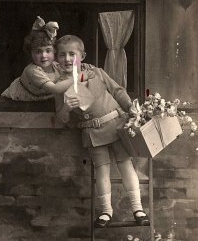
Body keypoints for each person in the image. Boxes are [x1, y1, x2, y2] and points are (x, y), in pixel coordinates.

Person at [54, 35, 150, 228]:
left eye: (72, 54)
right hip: (92, 132)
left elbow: (117, 91)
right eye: (62, 54)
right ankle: (106, 211)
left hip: (116, 125)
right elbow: (61, 118)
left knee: (125, 165)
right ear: (56, 58)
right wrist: (66, 108)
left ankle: (137, 209)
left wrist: (130, 107)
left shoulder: (96, 72)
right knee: (102, 171)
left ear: (82, 56)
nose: (67, 59)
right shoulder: (59, 86)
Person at [1, 16, 75, 101]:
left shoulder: (56, 66)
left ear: (54, 50)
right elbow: (55, 89)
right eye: (38, 52)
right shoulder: (32, 71)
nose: (43, 55)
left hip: (43, 101)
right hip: (16, 104)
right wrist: (78, 78)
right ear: (31, 53)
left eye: (48, 51)